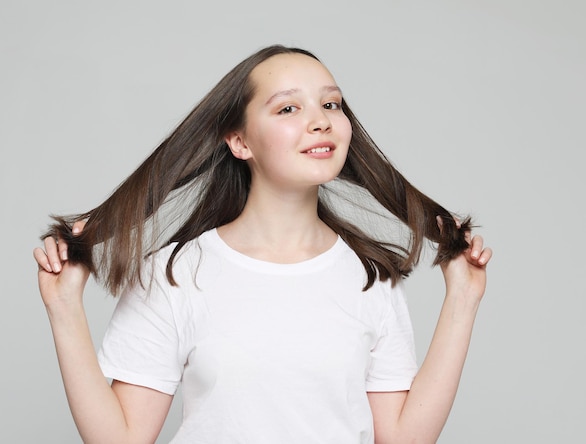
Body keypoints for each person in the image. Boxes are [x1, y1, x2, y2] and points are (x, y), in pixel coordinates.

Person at [33, 44, 492, 444]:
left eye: (332, 105)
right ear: (239, 140)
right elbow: (122, 438)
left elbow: (404, 438)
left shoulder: (370, 277)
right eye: (288, 109)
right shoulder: (173, 273)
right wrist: (64, 308)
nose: (321, 122)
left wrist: (464, 299)